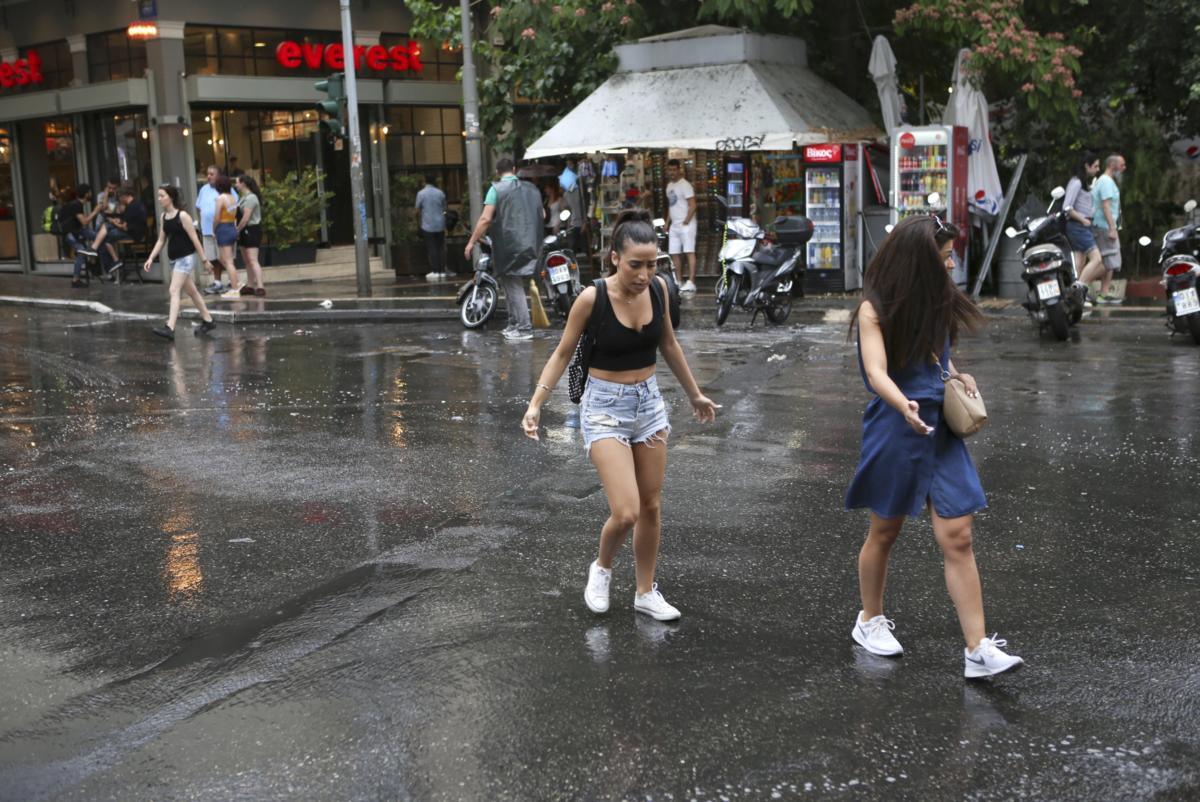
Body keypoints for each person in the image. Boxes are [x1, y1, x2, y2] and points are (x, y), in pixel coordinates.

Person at [845, 215, 1024, 679]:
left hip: (939, 427)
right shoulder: (873, 309)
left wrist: (956, 373)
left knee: (958, 534)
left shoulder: (940, 300)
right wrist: (901, 403)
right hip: (896, 425)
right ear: (918, 261)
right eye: (944, 257)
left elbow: (937, 356)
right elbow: (877, 369)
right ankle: (869, 620)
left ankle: (977, 649)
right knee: (884, 532)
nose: (950, 266)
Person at [522, 209, 719, 620]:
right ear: (614, 257)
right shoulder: (591, 298)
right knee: (626, 510)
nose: (645, 274)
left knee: (651, 505)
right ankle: (602, 568)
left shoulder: (661, 290)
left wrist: (695, 395)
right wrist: (537, 403)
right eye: (636, 265)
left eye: (652, 264)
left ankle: (645, 591)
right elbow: (561, 353)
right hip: (604, 407)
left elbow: (669, 345)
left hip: (648, 403)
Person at [463, 157, 544, 341]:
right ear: (514, 169)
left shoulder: (496, 189)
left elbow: (485, 219)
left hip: (508, 244)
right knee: (510, 284)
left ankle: (524, 328)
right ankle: (513, 324)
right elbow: (543, 214)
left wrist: (471, 242)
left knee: (512, 284)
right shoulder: (532, 189)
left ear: (498, 173)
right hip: (531, 242)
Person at [142, 184, 217, 341]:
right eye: (159, 195)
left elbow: (195, 239)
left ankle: (170, 327)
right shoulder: (164, 217)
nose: (159, 199)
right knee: (192, 292)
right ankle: (208, 321)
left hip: (186, 258)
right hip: (174, 260)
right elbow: (161, 240)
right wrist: (150, 258)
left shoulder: (183, 216)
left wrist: (204, 260)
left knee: (173, 290)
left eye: (162, 195)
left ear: (171, 197)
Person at [1064, 151, 1101, 305]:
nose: (1098, 169)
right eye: (1095, 166)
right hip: (1078, 226)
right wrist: (1083, 220)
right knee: (1097, 259)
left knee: (1079, 263)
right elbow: (1067, 207)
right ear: (1087, 166)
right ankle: (1078, 291)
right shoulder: (1076, 182)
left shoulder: (1084, 182)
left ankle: (1074, 298)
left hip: (1082, 225)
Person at [1089, 154, 1126, 305]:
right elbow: (1106, 206)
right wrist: (1112, 228)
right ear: (1112, 165)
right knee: (1111, 262)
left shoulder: (1106, 181)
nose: (1124, 168)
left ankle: (1103, 294)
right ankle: (1081, 283)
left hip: (1105, 226)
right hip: (1104, 227)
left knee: (1108, 259)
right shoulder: (1105, 182)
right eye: (1122, 165)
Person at [96, 184, 149, 276]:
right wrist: (117, 221)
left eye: (119, 198)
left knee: (105, 236)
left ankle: (114, 262)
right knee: (107, 229)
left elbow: (124, 227)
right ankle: (115, 262)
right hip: (137, 231)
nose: (119, 200)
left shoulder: (131, 207)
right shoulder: (137, 204)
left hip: (133, 234)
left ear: (124, 196)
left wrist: (113, 222)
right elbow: (126, 221)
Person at [665, 159, 698, 293]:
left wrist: (686, 220)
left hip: (687, 224)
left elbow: (693, 204)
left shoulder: (685, 185)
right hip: (674, 225)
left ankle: (691, 281)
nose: (672, 172)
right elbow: (671, 206)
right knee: (674, 253)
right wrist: (667, 222)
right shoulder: (669, 186)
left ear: (679, 170)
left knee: (689, 252)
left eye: (674, 170)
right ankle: (678, 281)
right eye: (670, 170)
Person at [60, 184, 100, 289]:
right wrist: (95, 211)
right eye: (90, 192)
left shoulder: (76, 204)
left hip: (77, 231)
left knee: (98, 236)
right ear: (86, 194)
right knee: (81, 251)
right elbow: (84, 222)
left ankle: (92, 261)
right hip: (71, 234)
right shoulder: (76, 205)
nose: (91, 194)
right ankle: (75, 280)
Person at [234, 174, 266, 296]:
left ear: (243, 184)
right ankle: (251, 285)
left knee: (252, 259)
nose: (236, 185)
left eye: (237, 182)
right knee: (247, 260)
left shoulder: (251, 198)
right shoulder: (242, 198)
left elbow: (246, 218)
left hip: (252, 230)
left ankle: (260, 286)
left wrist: (237, 229)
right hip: (244, 230)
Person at [212, 175, 243, 298]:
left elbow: (217, 217)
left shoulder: (221, 198)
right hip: (231, 228)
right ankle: (237, 282)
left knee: (227, 261)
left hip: (223, 229)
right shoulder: (232, 197)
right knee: (225, 259)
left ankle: (235, 288)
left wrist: (213, 229)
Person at [196, 165, 223, 294]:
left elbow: (233, 206)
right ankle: (217, 282)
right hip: (207, 230)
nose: (208, 176)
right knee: (212, 258)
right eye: (208, 174)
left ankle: (233, 282)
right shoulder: (203, 190)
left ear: (218, 176)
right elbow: (199, 207)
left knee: (223, 257)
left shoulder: (224, 189)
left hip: (221, 229)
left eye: (212, 174)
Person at [416, 173, 448, 281]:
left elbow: (417, 209)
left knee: (432, 248)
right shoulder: (440, 193)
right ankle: (442, 270)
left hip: (427, 224)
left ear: (425, 181)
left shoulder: (421, 194)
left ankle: (435, 270)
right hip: (440, 224)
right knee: (440, 247)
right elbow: (445, 207)